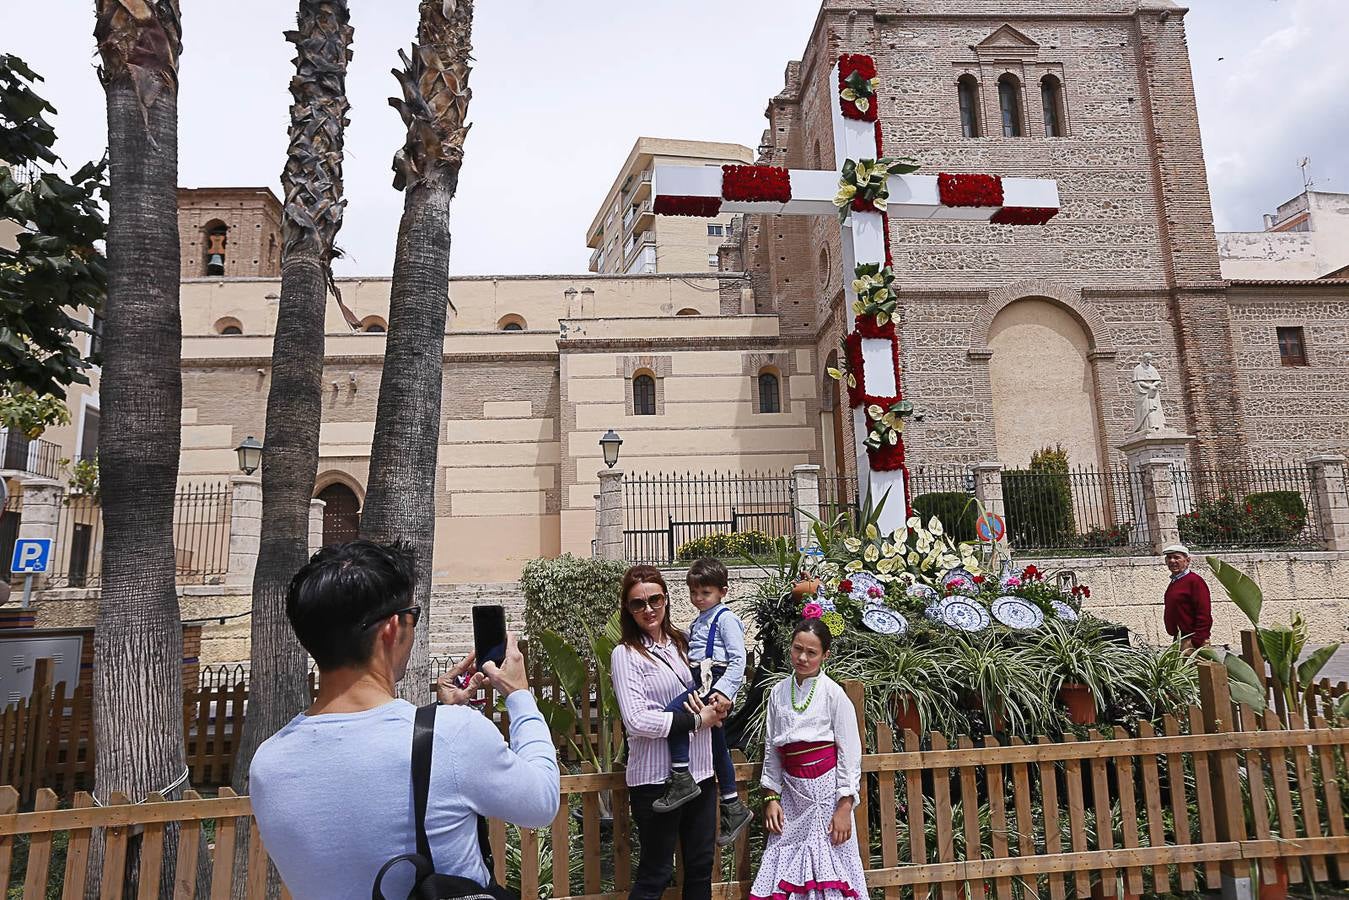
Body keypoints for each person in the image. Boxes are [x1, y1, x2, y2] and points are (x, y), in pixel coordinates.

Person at [249, 540, 560, 900]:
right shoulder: (454, 736)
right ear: (392, 628)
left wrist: (440, 721)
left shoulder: (267, 764)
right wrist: (520, 696)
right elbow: (541, 802)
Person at [610, 564, 729, 900]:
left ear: (666, 599)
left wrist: (721, 703)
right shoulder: (626, 655)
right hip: (656, 781)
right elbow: (636, 721)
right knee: (656, 874)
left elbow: (709, 688)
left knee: (700, 869)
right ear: (628, 609)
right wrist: (696, 721)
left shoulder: (685, 643)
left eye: (655, 599)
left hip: (701, 773)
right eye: (638, 604)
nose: (649, 609)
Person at [750, 618, 866, 900]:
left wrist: (844, 806)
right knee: (784, 865)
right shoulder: (778, 693)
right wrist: (771, 798)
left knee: (830, 870)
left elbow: (850, 754)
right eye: (797, 649)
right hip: (791, 795)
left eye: (811, 652)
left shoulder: (834, 695)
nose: (802, 657)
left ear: (825, 655)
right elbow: (772, 750)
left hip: (827, 797)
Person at [655, 558, 753, 844]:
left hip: (713, 680)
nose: (698, 599)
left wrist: (724, 692)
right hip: (703, 677)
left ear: (723, 591)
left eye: (705, 593)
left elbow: (738, 660)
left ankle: (682, 775)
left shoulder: (726, 618)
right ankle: (733, 805)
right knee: (716, 744)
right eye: (694, 593)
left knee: (676, 715)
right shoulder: (699, 620)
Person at [1162, 542, 1212, 650]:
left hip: (1193, 640)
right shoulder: (1175, 582)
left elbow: (1204, 613)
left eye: (1176, 557)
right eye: (1169, 558)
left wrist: (1197, 641)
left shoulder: (1195, 581)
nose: (1172, 561)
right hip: (1180, 639)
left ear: (1187, 560)